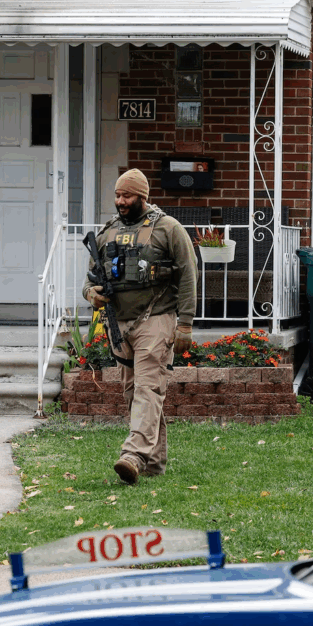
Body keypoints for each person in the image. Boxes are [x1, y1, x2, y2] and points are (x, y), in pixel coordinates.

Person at [83, 169, 197, 484]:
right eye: (118, 195)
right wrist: (91, 294)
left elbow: (188, 274)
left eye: (127, 195)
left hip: (156, 318)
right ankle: (154, 462)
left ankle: (133, 455)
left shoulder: (168, 228)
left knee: (148, 388)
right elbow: (89, 279)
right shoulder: (108, 232)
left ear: (142, 196)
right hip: (118, 323)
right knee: (135, 392)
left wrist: (185, 323)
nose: (120, 201)